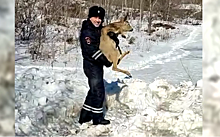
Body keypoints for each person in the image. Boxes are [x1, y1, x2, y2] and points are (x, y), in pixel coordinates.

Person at [79, 6, 117, 125]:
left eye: (100, 18)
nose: (98, 20)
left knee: (93, 90)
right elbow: (91, 50)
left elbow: (106, 43)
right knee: (99, 91)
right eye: (95, 17)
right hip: (91, 65)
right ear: (90, 17)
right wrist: (105, 60)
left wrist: (114, 39)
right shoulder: (87, 31)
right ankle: (97, 117)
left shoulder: (100, 30)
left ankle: (85, 115)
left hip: (97, 65)